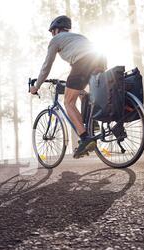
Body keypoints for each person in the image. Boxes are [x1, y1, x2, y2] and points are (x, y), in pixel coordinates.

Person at [30, 15, 107, 159]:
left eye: (52, 31)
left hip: (82, 62)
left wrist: (37, 86)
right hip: (100, 60)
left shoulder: (55, 40)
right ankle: (93, 123)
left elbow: (46, 67)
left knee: (68, 102)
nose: (52, 34)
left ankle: (85, 138)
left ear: (55, 30)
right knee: (84, 94)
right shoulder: (78, 37)